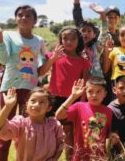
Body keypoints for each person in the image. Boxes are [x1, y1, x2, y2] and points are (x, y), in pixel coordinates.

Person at [0, 5, 47, 161]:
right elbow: (3, 60)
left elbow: (40, 70)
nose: (23, 18)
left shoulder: (39, 41)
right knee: (5, 133)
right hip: (9, 89)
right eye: (20, 15)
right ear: (16, 19)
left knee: (29, 131)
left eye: (28, 15)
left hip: (31, 91)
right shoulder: (8, 35)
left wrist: (52, 59)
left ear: (35, 20)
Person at [39, 27, 90, 160]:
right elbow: (41, 72)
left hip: (72, 100)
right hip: (53, 99)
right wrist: (53, 58)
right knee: (50, 131)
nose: (69, 41)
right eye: (65, 38)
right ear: (60, 40)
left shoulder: (84, 62)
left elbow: (85, 84)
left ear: (79, 41)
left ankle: (69, 158)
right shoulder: (53, 56)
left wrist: (83, 103)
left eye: (73, 38)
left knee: (68, 134)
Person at [0, 87, 65, 160]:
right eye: (33, 101)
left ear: (49, 108)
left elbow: (60, 145)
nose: (36, 105)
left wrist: (54, 159)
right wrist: (8, 107)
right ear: (26, 104)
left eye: (42, 102)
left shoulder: (54, 125)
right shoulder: (21, 123)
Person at [56, 78, 114, 160]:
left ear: (105, 94)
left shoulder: (108, 112)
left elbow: (109, 134)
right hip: (79, 157)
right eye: (90, 91)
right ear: (85, 92)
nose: (94, 95)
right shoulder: (79, 106)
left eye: (98, 91)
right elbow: (59, 115)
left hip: (99, 157)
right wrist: (73, 97)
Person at [71, 0, 104, 79]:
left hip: (95, 81)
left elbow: (104, 33)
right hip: (78, 81)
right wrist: (76, 2)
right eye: (83, 30)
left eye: (89, 31)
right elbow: (78, 20)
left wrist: (103, 16)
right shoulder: (75, 47)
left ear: (94, 35)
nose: (85, 33)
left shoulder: (96, 46)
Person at [103, 25, 125, 101]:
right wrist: (106, 51)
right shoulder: (114, 50)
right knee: (117, 108)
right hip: (117, 83)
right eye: (122, 35)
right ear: (118, 37)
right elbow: (105, 69)